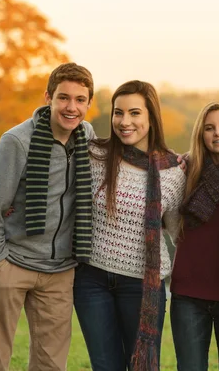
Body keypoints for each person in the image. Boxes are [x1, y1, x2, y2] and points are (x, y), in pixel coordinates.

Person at [0, 62, 96, 371]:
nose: (72, 107)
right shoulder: (17, 141)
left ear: (88, 103)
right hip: (13, 263)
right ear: (48, 98)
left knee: (51, 364)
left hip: (60, 271)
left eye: (80, 100)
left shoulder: (87, 137)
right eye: (63, 98)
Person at [73, 80, 186, 371]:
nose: (125, 122)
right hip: (91, 281)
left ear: (151, 117)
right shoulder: (94, 155)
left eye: (135, 113)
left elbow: (179, 233)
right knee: (104, 366)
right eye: (118, 113)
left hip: (141, 285)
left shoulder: (173, 171)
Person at [170, 102, 219, 371]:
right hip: (189, 293)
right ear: (201, 135)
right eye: (209, 128)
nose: (218, 133)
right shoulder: (185, 170)